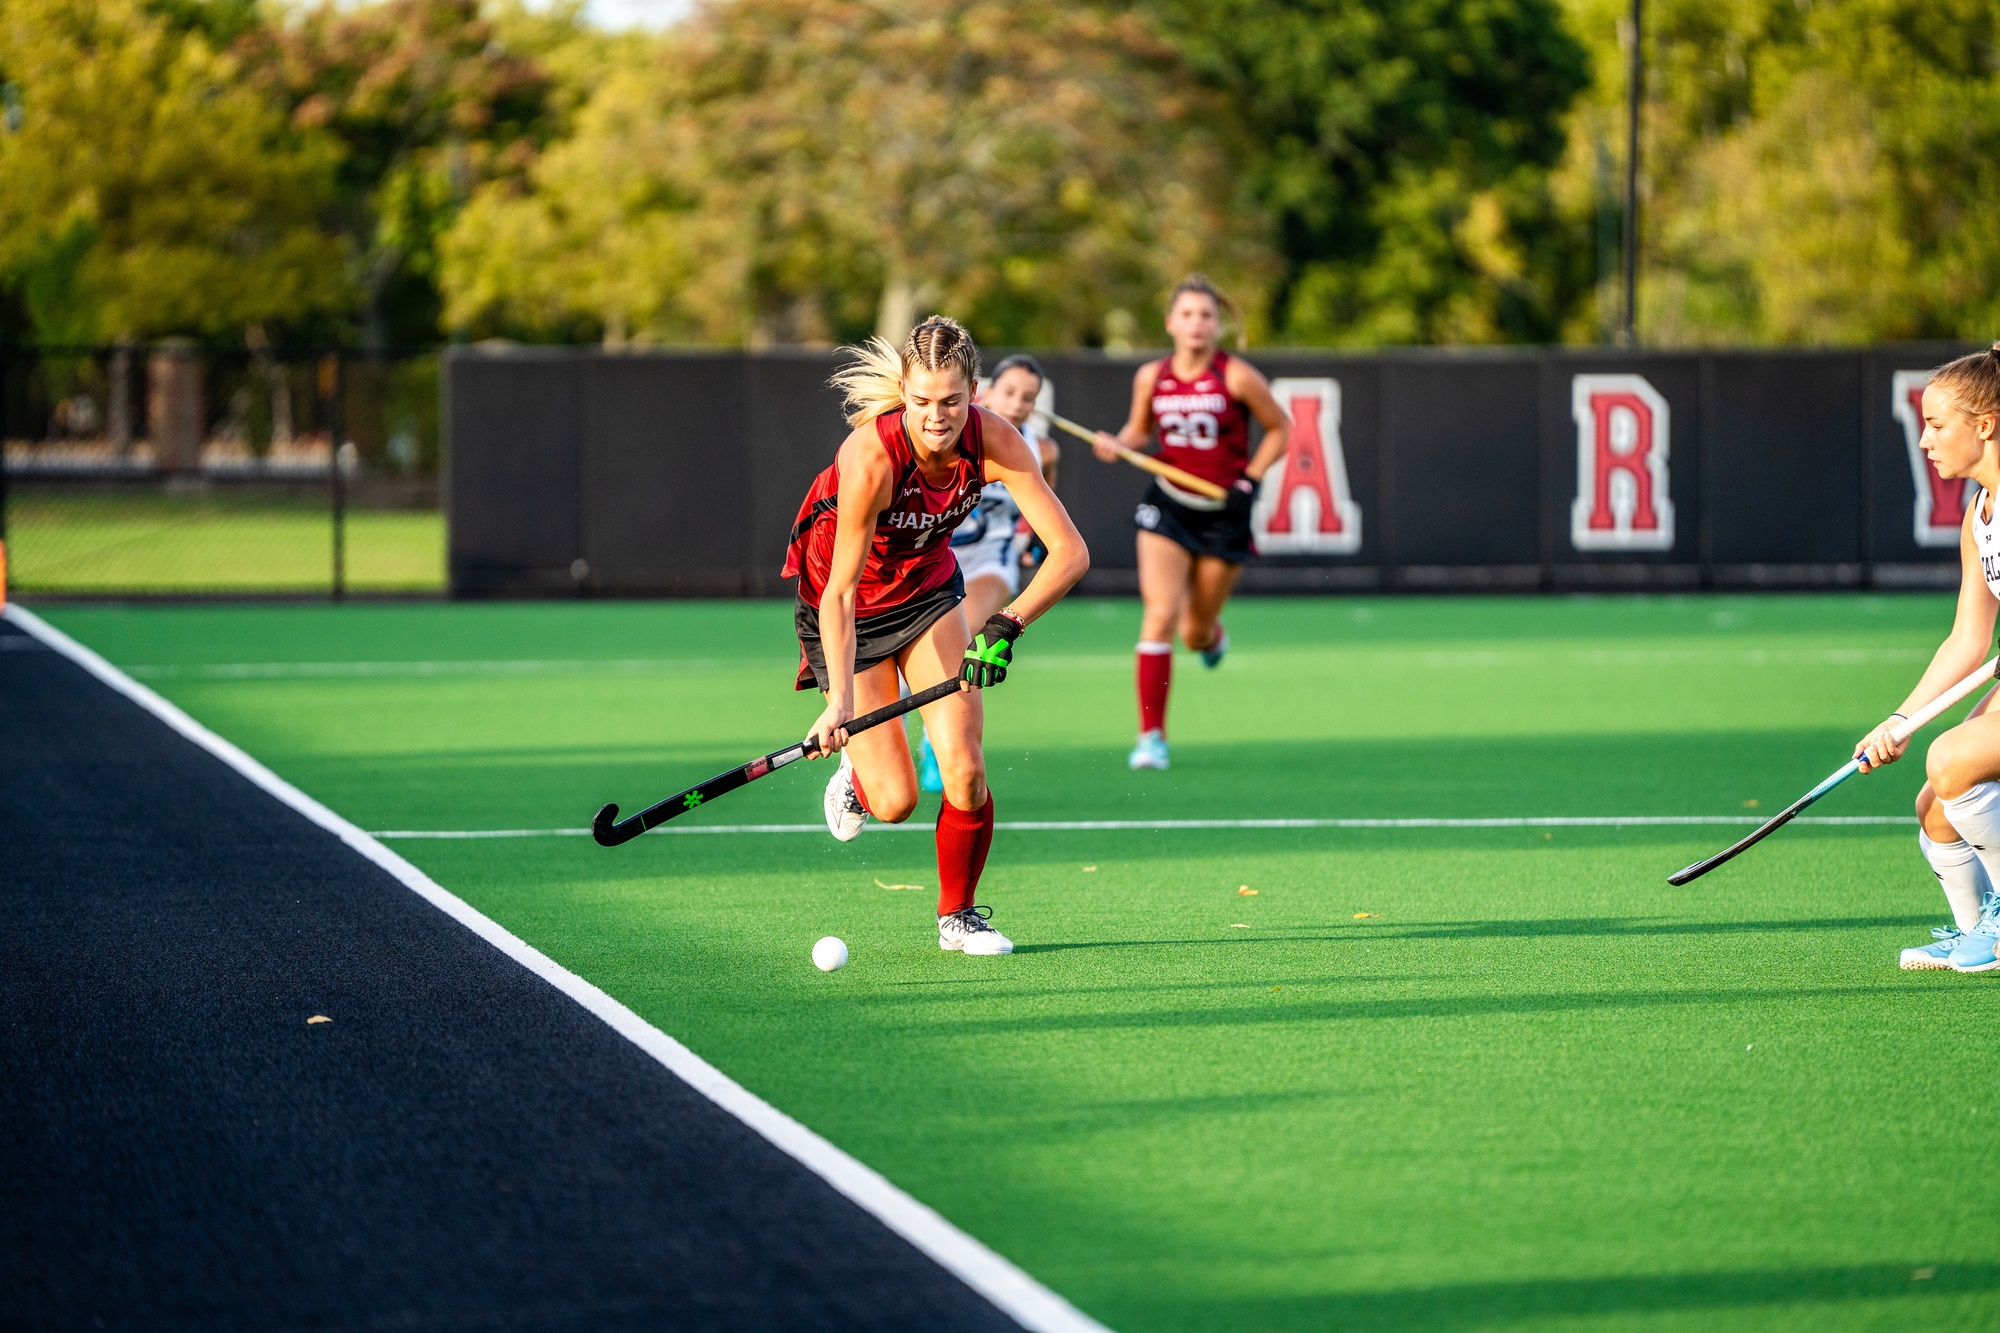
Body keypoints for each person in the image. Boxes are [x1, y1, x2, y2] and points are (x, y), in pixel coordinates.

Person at [783, 316, 1088, 955]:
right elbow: (839, 593)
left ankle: (960, 917)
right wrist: (838, 705)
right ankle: (858, 775)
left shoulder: (995, 441)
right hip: (852, 608)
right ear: (904, 391)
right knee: (895, 801)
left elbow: (1069, 552)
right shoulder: (871, 458)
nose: (936, 416)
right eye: (921, 400)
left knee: (965, 768)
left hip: (927, 594)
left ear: (974, 391)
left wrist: (1006, 626)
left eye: (951, 400)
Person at [1092, 275, 1291, 771]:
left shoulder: (1237, 376)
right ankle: (1151, 737)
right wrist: (1118, 443)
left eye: (1206, 315)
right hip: (1168, 505)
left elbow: (1280, 429)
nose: (1196, 324)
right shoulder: (1151, 376)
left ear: (1218, 325)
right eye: (1187, 315)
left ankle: (1211, 638)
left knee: (1194, 633)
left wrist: (1251, 478)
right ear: (1170, 324)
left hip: (1225, 513)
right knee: (1159, 615)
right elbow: (1140, 429)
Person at [1854, 343, 2000, 972]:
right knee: (1936, 811)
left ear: (1985, 425)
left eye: (1937, 425)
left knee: (1951, 761)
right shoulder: (1980, 516)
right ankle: (1980, 934)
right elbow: (1969, 638)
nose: (1924, 441)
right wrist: (1901, 720)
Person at [916, 354, 1061, 793]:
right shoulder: (949, 429)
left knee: (962, 635)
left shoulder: (1040, 449)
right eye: (1010, 392)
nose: (1017, 404)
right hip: (936, 558)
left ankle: (937, 744)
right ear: (986, 391)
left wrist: (1033, 539)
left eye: (1028, 398)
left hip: (990, 560)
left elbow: (1043, 504)